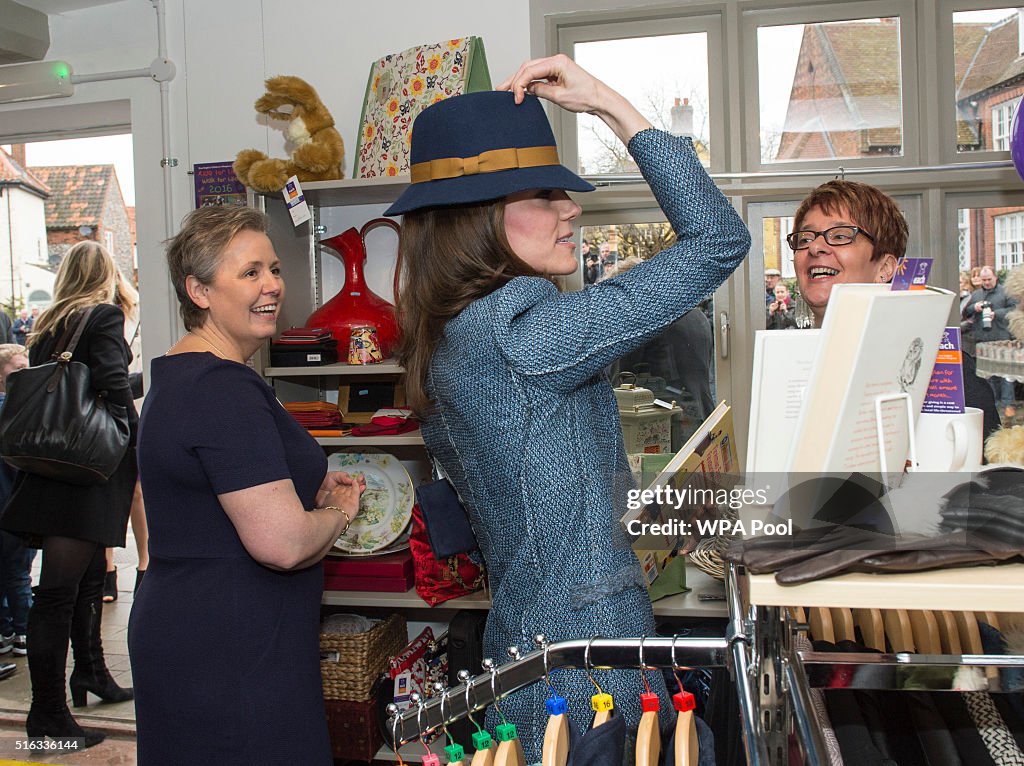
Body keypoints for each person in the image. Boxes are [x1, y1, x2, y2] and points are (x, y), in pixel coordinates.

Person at [387, 54, 750, 758]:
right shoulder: (521, 333)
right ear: (478, 218)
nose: (571, 209)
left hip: (540, 640)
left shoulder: (459, 330)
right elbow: (719, 239)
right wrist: (610, 104)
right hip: (584, 668)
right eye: (544, 196)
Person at [129, 204, 366, 765]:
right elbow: (282, 546)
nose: (272, 287)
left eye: (276, 269)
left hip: (200, 632)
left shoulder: (180, 374)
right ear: (199, 290)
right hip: (232, 650)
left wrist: (300, 486)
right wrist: (339, 509)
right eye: (250, 272)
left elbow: (185, 495)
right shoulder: (222, 389)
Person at [0, 241, 137, 749]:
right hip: (88, 469)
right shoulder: (101, 315)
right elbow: (110, 383)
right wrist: (131, 432)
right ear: (107, 274)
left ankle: (92, 676)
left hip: (54, 465)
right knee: (57, 594)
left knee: (80, 585)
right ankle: (48, 719)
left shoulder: (49, 325)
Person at [790, 180, 1000, 440]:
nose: (814, 247)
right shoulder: (783, 366)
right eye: (805, 238)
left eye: (840, 235)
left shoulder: (942, 369)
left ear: (885, 268)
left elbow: (988, 475)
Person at [103, 271, 145, 602]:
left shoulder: (130, 314)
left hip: (124, 409)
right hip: (111, 419)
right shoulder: (104, 317)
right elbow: (114, 377)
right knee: (115, 495)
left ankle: (143, 562)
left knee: (136, 494)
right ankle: (109, 569)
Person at [0, 343, 29, 681]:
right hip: (12, 506)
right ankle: (22, 631)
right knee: (18, 574)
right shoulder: (14, 410)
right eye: (16, 369)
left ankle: (10, 630)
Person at [964, 265, 1018, 418]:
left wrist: (996, 313)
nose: (986, 282)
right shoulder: (976, 295)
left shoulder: (1005, 293)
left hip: (1002, 338)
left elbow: (1014, 309)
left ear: (995, 277)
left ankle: (1008, 404)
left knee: (1006, 374)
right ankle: (992, 403)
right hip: (982, 339)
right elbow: (966, 312)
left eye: (989, 279)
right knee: (988, 375)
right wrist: (974, 307)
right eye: (984, 280)